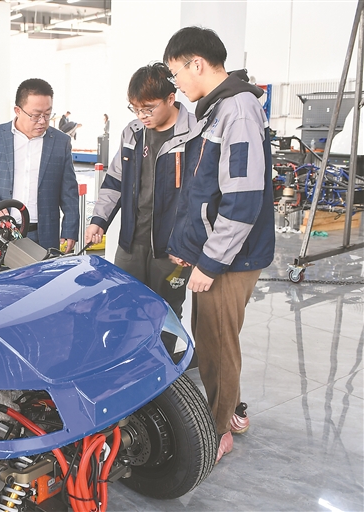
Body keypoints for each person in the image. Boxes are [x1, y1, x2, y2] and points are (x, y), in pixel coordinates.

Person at [163, 27, 275, 463]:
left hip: (231, 258)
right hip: (219, 253)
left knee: (217, 346)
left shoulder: (238, 110)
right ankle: (229, 412)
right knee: (212, 340)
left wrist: (209, 262)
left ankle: (217, 429)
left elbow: (242, 200)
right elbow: (204, 189)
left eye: (176, 73)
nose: (177, 84)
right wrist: (190, 246)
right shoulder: (216, 109)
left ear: (197, 63)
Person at [85, 63, 197, 335]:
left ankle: (163, 361)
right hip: (131, 242)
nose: (141, 116)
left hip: (172, 248)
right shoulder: (133, 132)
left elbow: (202, 195)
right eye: (135, 109)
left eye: (148, 108)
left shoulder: (195, 133)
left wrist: (190, 243)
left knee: (165, 313)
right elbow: (115, 180)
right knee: (122, 305)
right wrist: (99, 220)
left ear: (171, 98)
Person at [0, 78, 79, 252]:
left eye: (47, 114)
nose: (42, 121)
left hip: (42, 235)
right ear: (18, 110)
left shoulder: (60, 142)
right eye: (36, 115)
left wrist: (70, 228)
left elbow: (69, 190)